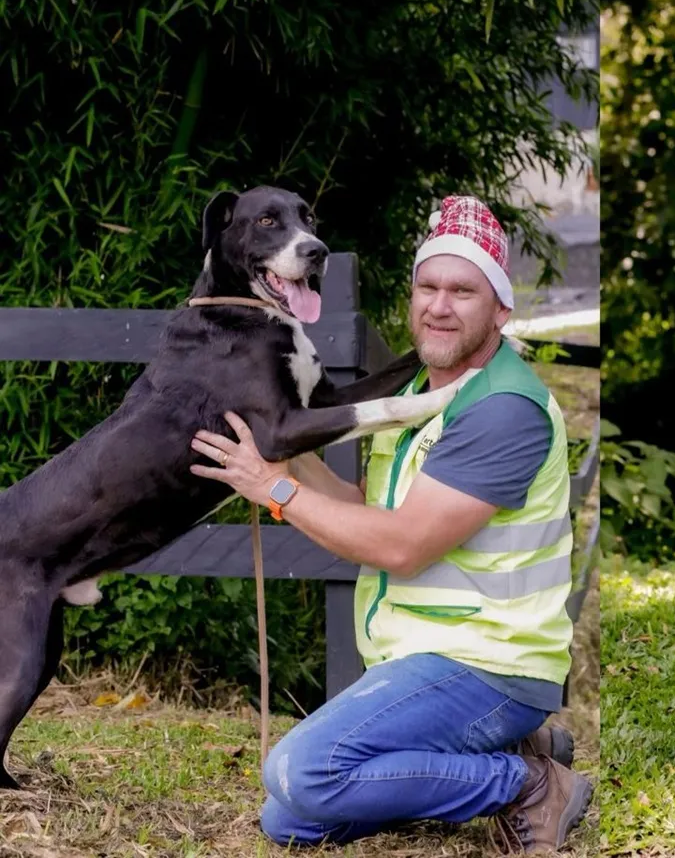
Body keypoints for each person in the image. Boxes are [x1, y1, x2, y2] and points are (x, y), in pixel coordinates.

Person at [188, 195, 593, 851]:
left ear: (500, 309)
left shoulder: (502, 407)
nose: (438, 305)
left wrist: (276, 488)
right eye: (427, 287)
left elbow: (401, 547)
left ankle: (528, 782)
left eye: (463, 291)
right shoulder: (416, 397)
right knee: (287, 818)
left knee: (302, 771)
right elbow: (367, 514)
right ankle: (520, 743)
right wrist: (279, 451)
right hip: (424, 664)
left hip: (489, 664)